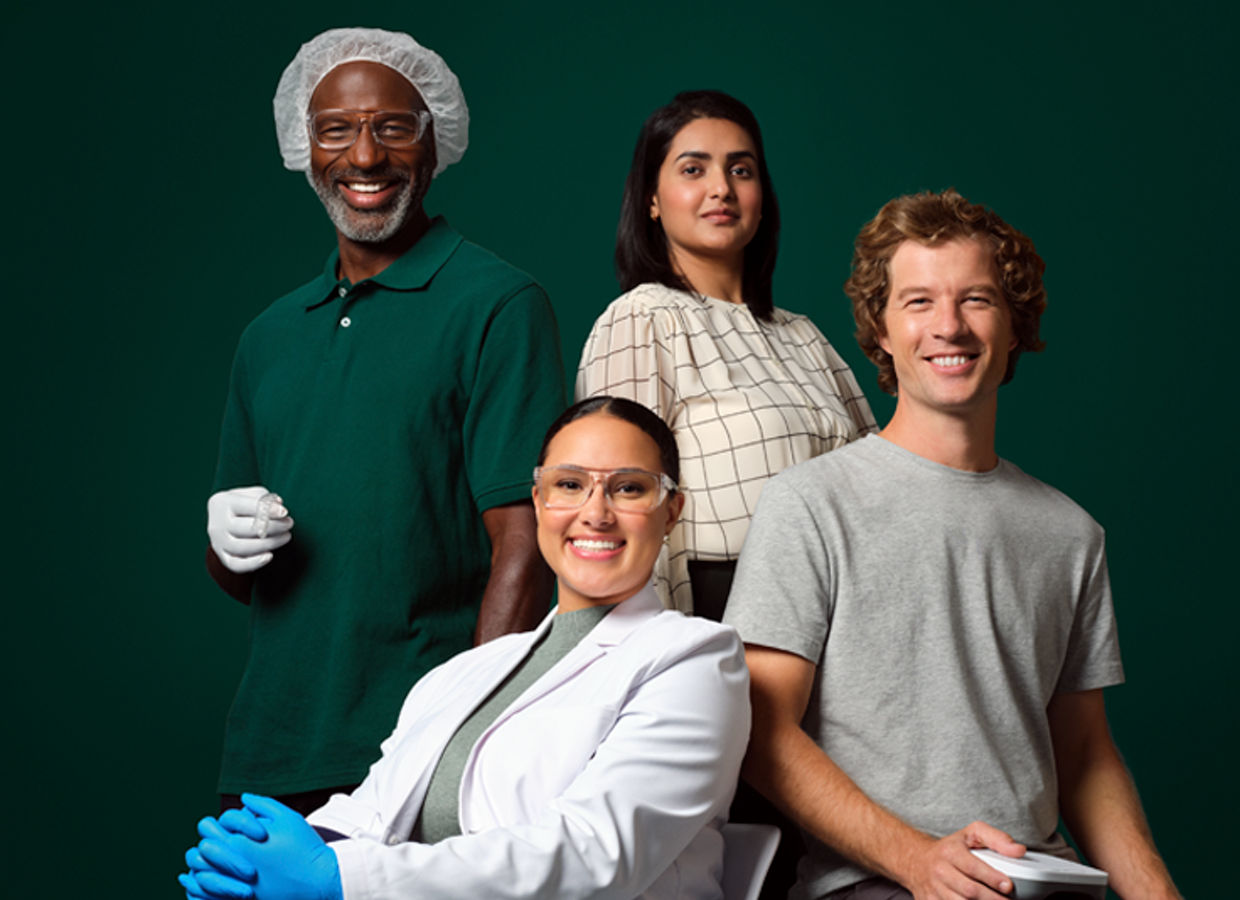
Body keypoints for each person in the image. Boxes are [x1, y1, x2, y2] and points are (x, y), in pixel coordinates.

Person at [725, 189, 1181, 899]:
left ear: (1013, 324)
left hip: (1045, 878)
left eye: (976, 300)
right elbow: (760, 731)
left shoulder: (1070, 532)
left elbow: (1086, 756)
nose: (949, 327)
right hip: (881, 882)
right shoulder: (809, 505)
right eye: (918, 302)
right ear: (878, 327)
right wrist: (916, 860)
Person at [180, 397, 751, 900]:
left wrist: (338, 880)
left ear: (671, 510)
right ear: (539, 500)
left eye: (628, 487)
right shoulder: (467, 672)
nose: (595, 512)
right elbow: (373, 812)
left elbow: (594, 854)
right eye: (569, 484)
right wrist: (262, 855)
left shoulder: (696, 659)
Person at [204, 27, 565, 815]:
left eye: (393, 127)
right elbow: (238, 577)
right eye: (336, 129)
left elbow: (526, 541)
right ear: (305, 147)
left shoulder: (496, 305)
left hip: (413, 749)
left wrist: (462, 735)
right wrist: (224, 543)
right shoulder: (268, 337)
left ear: (435, 143)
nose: (364, 157)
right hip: (272, 744)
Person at [576, 89, 876, 621]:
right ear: (651, 197)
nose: (721, 189)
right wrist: (659, 654)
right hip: (720, 609)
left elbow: (877, 479)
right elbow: (622, 507)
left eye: (741, 171)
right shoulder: (642, 320)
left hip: (843, 608)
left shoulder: (805, 336)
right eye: (693, 170)